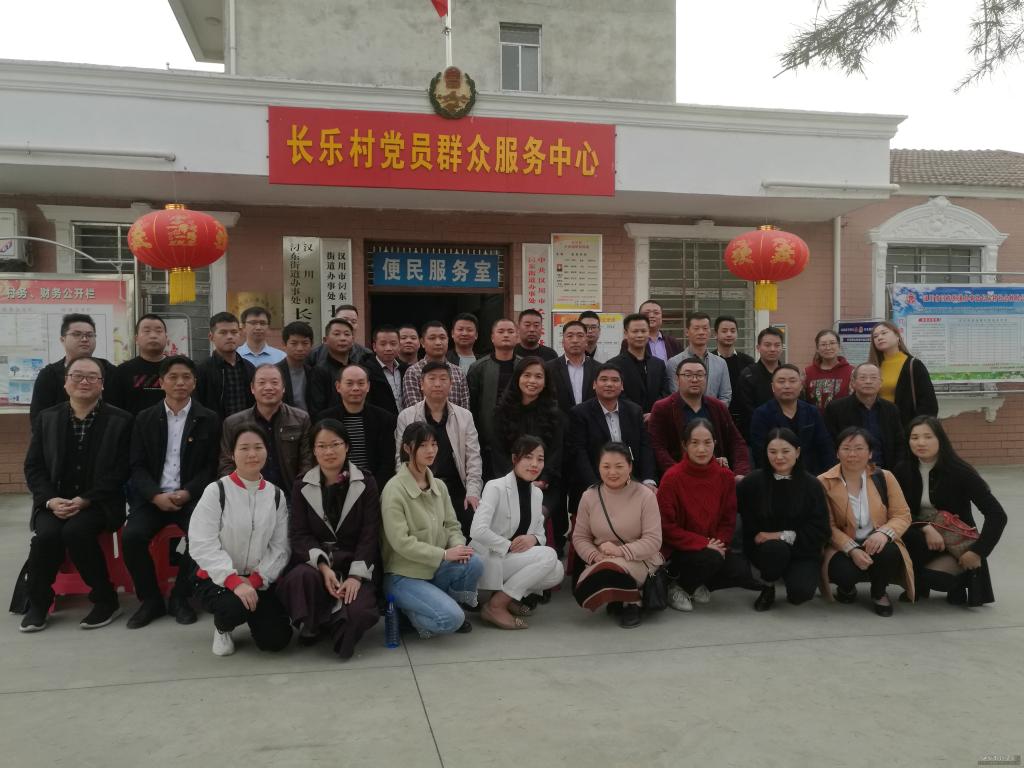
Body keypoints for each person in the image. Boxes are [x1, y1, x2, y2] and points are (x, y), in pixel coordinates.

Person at [19, 356, 133, 632]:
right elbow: (34, 467)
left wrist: (86, 499)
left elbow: (121, 470)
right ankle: (39, 603)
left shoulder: (121, 420)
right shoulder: (47, 419)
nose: (84, 381)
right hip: (54, 501)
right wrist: (50, 500)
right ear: (66, 383)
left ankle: (106, 600)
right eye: (77, 376)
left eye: (92, 377)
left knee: (76, 532)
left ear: (102, 385)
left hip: (100, 503)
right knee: (47, 536)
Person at [123, 355, 220, 628]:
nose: (180, 382)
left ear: (194, 382)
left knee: (203, 536)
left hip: (191, 498)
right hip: (152, 498)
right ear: (162, 382)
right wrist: (154, 495)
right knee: (131, 537)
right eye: (173, 377)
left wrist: (188, 493)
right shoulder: (144, 418)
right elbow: (136, 465)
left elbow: (210, 467)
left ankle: (180, 597)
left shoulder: (209, 418)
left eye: (186, 377)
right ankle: (150, 599)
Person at [276, 420, 382, 659]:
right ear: (313, 450)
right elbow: (300, 534)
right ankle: (315, 621)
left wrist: (355, 577)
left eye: (335, 444)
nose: (329, 451)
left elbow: (369, 534)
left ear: (347, 446)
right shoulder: (302, 484)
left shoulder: (366, 482)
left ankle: (331, 621)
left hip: (354, 564)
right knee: (300, 578)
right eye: (321, 446)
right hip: (316, 567)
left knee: (358, 615)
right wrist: (323, 567)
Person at [189, 426, 292, 655]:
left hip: (258, 578)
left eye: (258, 447)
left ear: (267, 451)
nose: (252, 454)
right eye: (244, 448)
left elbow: (280, 547)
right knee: (233, 607)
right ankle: (223, 627)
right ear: (232, 453)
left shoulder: (275, 495)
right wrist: (234, 581)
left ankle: (252, 613)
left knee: (276, 641)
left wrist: (255, 580)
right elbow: (201, 542)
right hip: (218, 579)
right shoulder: (217, 491)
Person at [380, 422, 484, 638]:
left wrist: (458, 547)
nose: (431, 450)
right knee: (452, 619)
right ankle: (408, 614)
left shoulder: (439, 486)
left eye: (434, 444)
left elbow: (453, 526)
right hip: (403, 576)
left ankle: (442, 604)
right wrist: (445, 554)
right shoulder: (393, 490)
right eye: (423, 445)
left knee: (473, 562)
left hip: (433, 569)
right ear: (407, 448)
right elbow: (401, 543)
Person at [894, 416, 1007, 606]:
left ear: (940, 439)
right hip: (920, 539)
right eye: (914, 437)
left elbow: (997, 515)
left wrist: (978, 552)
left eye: (928, 437)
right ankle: (916, 583)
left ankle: (958, 583)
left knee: (937, 578)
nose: (921, 443)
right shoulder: (902, 470)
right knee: (907, 539)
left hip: (955, 542)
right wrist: (925, 527)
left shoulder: (960, 471)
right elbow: (897, 511)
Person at [657, 419, 757, 612]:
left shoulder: (725, 476)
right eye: (694, 443)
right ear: (685, 445)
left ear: (715, 443)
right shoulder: (672, 478)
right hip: (680, 549)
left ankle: (696, 582)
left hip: (712, 546)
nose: (701, 449)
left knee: (740, 571)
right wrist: (703, 543)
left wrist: (718, 544)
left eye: (707, 442)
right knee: (711, 559)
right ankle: (678, 586)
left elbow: (728, 520)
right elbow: (666, 527)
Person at [818, 427, 915, 616]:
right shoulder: (824, 482)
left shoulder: (885, 477)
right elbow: (826, 525)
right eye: (846, 448)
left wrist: (883, 534)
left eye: (859, 448)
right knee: (842, 572)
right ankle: (846, 588)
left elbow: (902, 514)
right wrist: (852, 549)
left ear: (870, 453)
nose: (852, 454)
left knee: (890, 552)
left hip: (877, 542)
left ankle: (879, 592)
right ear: (837, 452)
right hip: (842, 546)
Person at [470, 435, 564, 629]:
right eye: (528, 457)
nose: (534, 464)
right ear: (514, 459)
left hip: (513, 560)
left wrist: (532, 538)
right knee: (549, 555)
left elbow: (540, 534)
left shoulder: (537, 493)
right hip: (490, 558)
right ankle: (496, 607)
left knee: (557, 571)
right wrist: (508, 546)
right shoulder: (495, 487)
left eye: (540, 459)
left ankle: (504, 596)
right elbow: (477, 530)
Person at [571, 443, 663, 628]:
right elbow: (580, 537)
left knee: (610, 570)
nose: (612, 472)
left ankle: (633, 602)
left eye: (619, 466)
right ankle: (618, 593)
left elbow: (653, 540)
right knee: (583, 588)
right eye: (606, 466)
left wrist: (620, 551)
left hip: (640, 559)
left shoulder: (645, 495)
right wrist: (595, 556)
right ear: (598, 467)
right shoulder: (589, 496)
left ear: (630, 466)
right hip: (602, 559)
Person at [737, 428, 830, 611]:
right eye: (772, 452)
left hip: (802, 549)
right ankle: (768, 585)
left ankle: (789, 574)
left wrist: (779, 535)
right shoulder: (752, 482)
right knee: (775, 549)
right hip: (766, 550)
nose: (779, 457)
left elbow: (821, 530)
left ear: (797, 452)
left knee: (800, 594)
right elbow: (744, 519)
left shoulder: (812, 485)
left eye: (785, 451)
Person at [395, 361, 483, 538]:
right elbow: (401, 459)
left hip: (457, 488)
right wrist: (410, 492)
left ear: (451, 384)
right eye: (432, 379)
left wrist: (473, 493)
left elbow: (473, 459)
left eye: (443, 379)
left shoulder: (464, 416)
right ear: (421, 384)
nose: (437, 384)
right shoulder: (407, 416)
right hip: (421, 488)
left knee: (472, 527)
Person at [567, 363, 657, 500]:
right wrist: (595, 486)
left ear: (622, 386)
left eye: (615, 380)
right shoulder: (580, 413)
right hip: (594, 484)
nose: (609, 384)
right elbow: (579, 452)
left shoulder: (634, 411)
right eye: (603, 379)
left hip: (631, 482)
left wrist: (648, 480)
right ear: (594, 384)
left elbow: (645, 446)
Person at [648, 357, 750, 478]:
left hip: (716, 475)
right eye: (688, 375)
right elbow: (658, 448)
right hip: (679, 477)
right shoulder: (663, 408)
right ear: (677, 379)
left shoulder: (718, 407)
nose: (694, 379)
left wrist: (740, 472)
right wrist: (679, 474)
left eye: (700, 375)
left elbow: (736, 442)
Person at [493, 357, 566, 526]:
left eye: (538, 376)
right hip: (508, 482)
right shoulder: (501, 412)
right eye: (527, 375)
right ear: (517, 378)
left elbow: (556, 453)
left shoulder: (555, 415)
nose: (532, 381)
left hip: (544, 484)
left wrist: (542, 480)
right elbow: (498, 453)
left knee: (537, 517)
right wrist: (515, 480)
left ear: (545, 382)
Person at [219, 364, 314, 492]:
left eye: (274, 382)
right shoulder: (233, 424)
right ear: (252, 388)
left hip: (290, 493)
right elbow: (226, 465)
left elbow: (307, 462)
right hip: (247, 494)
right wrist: (237, 493)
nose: (268, 387)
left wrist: (299, 492)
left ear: (283, 388)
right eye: (262, 383)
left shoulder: (301, 419)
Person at [29, 313, 116, 425]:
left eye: (90, 335)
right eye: (77, 334)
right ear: (63, 339)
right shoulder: (49, 374)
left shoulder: (110, 371)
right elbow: (38, 418)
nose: (84, 339)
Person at [317, 364, 397, 486]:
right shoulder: (324, 420)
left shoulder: (385, 419)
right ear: (338, 386)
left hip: (374, 487)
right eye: (349, 383)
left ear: (368, 386)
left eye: (361, 383)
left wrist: (373, 488)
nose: (355, 388)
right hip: (335, 486)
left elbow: (387, 462)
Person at [749, 364, 836, 475]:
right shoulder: (762, 414)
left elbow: (825, 447)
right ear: (772, 387)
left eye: (792, 381)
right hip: (775, 476)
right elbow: (760, 453)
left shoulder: (812, 412)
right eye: (781, 381)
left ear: (801, 386)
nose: (787, 386)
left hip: (811, 475)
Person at [824, 363, 906, 470]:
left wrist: (896, 470)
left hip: (885, 471)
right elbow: (829, 445)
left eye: (873, 378)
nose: (868, 381)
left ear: (880, 383)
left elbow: (900, 444)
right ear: (853, 382)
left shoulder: (891, 409)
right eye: (863, 378)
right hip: (848, 470)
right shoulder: (836, 408)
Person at [467, 318, 519, 476]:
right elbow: (472, 406)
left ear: (517, 337)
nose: (506, 335)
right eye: (501, 331)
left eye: (510, 332)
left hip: (519, 441)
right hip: (487, 443)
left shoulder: (525, 366)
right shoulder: (478, 368)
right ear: (492, 337)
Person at [868, 320, 939, 427]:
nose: (879, 337)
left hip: (905, 427)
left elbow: (929, 404)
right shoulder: (872, 367)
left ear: (897, 336)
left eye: (884, 333)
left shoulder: (913, 365)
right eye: (875, 336)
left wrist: (915, 428)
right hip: (878, 426)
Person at [607, 313, 670, 418]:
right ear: (626, 334)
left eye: (643, 331)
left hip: (655, 419)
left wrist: (654, 412)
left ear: (648, 333)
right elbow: (616, 394)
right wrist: (638, 413)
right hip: (626, 419)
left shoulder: (658, 364)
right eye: (635, 331)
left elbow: (665, 392)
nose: (640, 335)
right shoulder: (613, 365)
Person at [195, 312, 256, 419]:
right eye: (223, 332)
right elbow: (197, 405)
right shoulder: (201, 370)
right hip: (215, 427)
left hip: (247, 426)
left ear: (240, 334)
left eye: (234, 332)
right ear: (211, 337)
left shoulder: (249, 368)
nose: (229, 337)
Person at [401, 321, 470, 409]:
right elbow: (414, 410)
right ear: (422, 342)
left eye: (442, 338)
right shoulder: (413, 372)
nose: (438, 342)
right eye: (432, 338)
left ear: (448, 340)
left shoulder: (459, 372)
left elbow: (465, 410)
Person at [107, 313, 168, 414]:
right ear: (136, 339)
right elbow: (114, 409)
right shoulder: (122, 371)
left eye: (158, 331)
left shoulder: (177, 369)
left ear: (166, 337)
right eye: (147, 331)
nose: (153, 335)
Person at [667, 312, 731, 404]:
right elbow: (675, 394)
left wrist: (714, 411)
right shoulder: (674, 362)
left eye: (705, 328)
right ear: (687, 332)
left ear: (710, 332)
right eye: (696, 328)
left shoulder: (721, 363)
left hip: (714, 412)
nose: (701, 332)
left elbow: (725, 396)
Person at [734, 326, 785, 440]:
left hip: (786, 434)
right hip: (757, 435)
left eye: (777, 345)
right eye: (767, 345)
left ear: (782, 347)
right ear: (758, 347)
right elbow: (747, 411)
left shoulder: (788, 375)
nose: (772, 349)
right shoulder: (748, 375)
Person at [544, 320, 598, 415]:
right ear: (563, 342)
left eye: (580, 336)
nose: (575, 340)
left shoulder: (598, 368)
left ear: (586, 341)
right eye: (570, 336)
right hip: (558, 422)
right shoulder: (548, 368)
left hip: (590, 422)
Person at [309, 318, 360, 415]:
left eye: (347, 334)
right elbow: (317, 409)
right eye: (337, 334)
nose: (343, 338)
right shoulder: (319, 371)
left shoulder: (358, 369)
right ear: (325, 340)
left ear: (353, 340)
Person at [714, 315, 754, 426]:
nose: (729, 334)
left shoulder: (748, 362)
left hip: (744, 420)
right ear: (715, 334)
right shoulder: (708, 360)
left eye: (733, 331)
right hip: (717, 418)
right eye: (724, 331)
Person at [803, 329, 853, 411]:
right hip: (814, 419)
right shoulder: (807, 373)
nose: (828, 347)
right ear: (817, 348)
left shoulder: (851, 372)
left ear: (839, 346)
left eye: (832, 343)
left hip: (843, 419)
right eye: (823, 344)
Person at [364, 325, 408, 415]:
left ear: (399, 346)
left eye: (393, 344)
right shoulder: (366, 371)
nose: (388, 348)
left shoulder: (406, 369)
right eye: (383, 344)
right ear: (374, 347)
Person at [277, 320, 316, 413]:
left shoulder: (314, 372)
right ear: (284, 344)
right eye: (294, 343)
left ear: (312, 345)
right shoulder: (276, 372)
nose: (300, 348)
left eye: (305, 343)